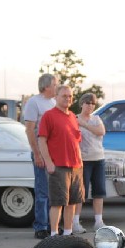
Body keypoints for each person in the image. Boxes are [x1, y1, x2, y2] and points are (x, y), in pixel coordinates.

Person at [37, 85, 84, 236]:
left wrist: (81, 164)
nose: (68, 98)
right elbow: (42, 140)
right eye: (64, 96)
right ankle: (53, 234)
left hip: (75, 166)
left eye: (70, 96)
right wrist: (49, 162)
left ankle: (68, 233)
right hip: (58, 166)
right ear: (56, 97)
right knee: (58, 203)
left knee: (72, 202)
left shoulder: (72, 116)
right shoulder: (48, 116)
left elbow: (76, 142)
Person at [23, 73, 58, 239]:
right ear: (46, 86)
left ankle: (53, 225)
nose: (56, 87)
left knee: (54, 191)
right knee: (43, 191)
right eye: (55, 84)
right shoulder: (34, 102)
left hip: (54, 154)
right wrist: (37, 154)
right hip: (41, 154)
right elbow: (30, 130)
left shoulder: (53, 103)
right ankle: (41, 226)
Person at [72, 93, 107, 233]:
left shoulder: (96, 119)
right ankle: (75, 222)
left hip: (98, 158)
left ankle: (99, 221)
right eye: (87, 103)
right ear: (81, 104)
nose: (90, 106)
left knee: (99, 192)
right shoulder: (74, 118)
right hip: (83, 160)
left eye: (92, 103)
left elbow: (101, 132)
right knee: (81, 193)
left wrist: (85, 125)